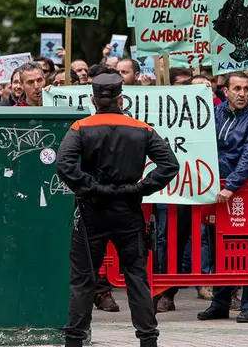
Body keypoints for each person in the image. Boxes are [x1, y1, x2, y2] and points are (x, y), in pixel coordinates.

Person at [57, 72, 179, 347]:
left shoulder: (80, 127)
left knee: (83, 281)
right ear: (121, 99)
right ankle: (148, 340)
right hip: (128, 211)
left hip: (93, 212)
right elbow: (169, 164)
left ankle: (74, 341)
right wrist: (139, 189)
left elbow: (64, 166)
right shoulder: (141, 128)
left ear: (93, 100)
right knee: (137, 278)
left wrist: (92, 188)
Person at [198, 72, 248, 323]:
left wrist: (232, 185)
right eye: (236, 88)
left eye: (246, 89)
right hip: (216, 191)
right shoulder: (213, 115)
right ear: (225, 91)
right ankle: (220, 302)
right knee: (216, 246)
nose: (242, 93)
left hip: (242, 192)